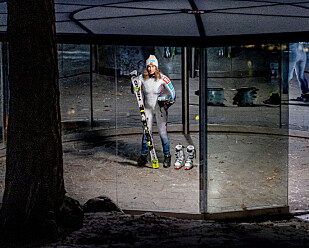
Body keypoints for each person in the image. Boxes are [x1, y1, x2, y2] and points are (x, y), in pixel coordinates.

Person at [136, 55, 176, 168]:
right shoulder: (142, 78)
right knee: (146, 133)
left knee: (163, 133)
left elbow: (173, 93)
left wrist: (168, 101)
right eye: (148, 66)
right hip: (147, 109)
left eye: (153, 66)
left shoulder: (163, 78)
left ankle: (167, 156)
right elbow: (134, 90)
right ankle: (143, 156)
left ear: (156, 67)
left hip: (160, 108)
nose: (150, 68)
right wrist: (134, 83)